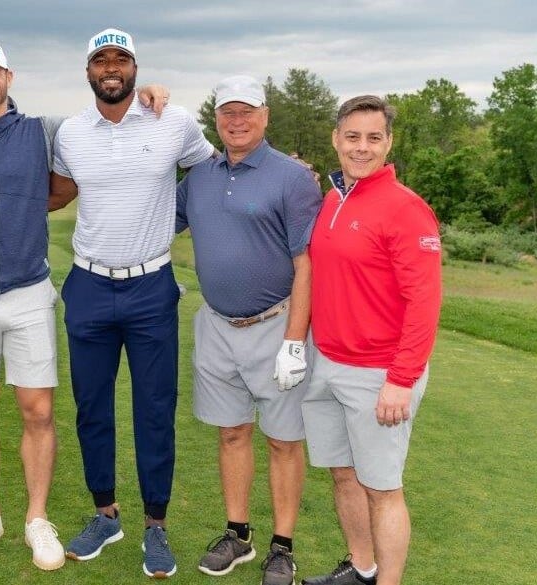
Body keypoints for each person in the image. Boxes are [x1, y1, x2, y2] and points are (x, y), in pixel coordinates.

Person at [0, 38, 171, 572]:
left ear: (9, 77)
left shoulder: (45, 131)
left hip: (29, 289)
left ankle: (37, 517)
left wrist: (149, 93)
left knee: (37, 408)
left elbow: (105, 116)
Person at [49, 28, 216, 579]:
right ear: (89, 70)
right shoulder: (70, 133)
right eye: (102, 59)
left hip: (152, 287)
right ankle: (106, 515)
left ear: (137, 69)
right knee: (92, 409)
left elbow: (215, 172)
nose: (112, 67)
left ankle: (155, 526)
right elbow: (51, 190)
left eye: (122, 59)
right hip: (90, 285)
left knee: (154, 411)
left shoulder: (175, 120)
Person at [175, 74, 322, 585]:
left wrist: (294, 341)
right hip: (216, 325)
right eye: (226, 113)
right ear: (214, 119)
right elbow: (153, 222)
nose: (236, 121)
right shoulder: (200, 175)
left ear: (265, 116)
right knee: (232, 432)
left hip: (276, 324)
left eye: (246, 112)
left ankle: (282, 548)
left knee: (283, 440)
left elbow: (307, 263)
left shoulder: (292, 176)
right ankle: (237, 534)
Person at [300, 95, 442, 585]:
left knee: (383, 489)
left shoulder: (407, 209)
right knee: (343, 474)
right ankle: (361, 568)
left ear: (388, 143)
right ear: (337, 139)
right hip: (327, 363)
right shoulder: (334, 197)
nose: (362, 147)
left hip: (381, 373)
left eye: (373, 138)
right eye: (353, 137)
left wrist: (401, 380)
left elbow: (424, 304)